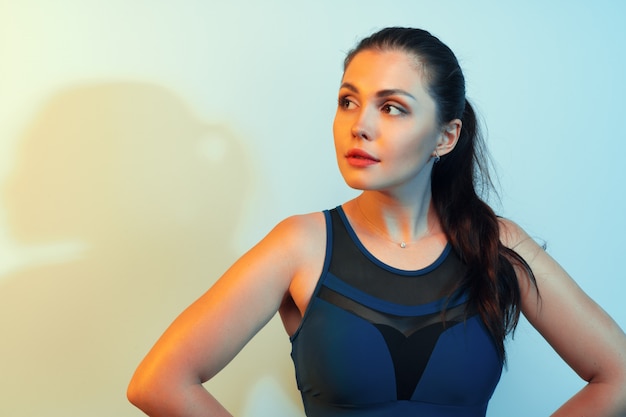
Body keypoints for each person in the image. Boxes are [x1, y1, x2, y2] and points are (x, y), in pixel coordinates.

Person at [127, 27, 626, 417]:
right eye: (348, 101)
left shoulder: (499, 244)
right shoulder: (300, 246)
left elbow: (618, 375)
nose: (359, 125)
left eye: (391, 107)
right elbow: (159, 381)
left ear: (445, 137)